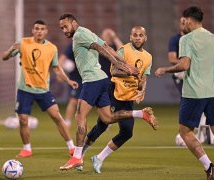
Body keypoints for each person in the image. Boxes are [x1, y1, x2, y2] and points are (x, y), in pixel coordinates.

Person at [59, 13, 158, 170]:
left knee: (80, 115)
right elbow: (106, 46)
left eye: (65, 26)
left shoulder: (79, 35)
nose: (64, 30)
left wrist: (121, 65)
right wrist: (125, 64)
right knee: (107, 118)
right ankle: (141, 114)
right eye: (62, 28)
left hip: (92, 80)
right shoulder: (87, 32)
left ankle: (77, 156)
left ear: (74, 23)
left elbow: (100, 48)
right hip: (102, 79)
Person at [155, 6, 214, 180]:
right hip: (213, 92)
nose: (182, 25)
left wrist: (166, 69)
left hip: (194, 93)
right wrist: (207, 69)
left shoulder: (186, 39)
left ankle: (209, 166)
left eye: (184, 21)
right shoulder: (213, 38)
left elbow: (184, 65)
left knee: (185, 132)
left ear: (190, 21)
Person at [83, 26, 154, 173]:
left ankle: (99, 158)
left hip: (129, 98)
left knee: (127, 132)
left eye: (141, 35)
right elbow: (113, 70)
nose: (138, 38)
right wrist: (130, 72)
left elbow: (144, 76)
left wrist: (142, 89)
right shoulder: (124, 50)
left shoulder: (148, 57)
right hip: (115, 92)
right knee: (102, 125)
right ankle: (80, 154)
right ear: (130, 37)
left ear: (145, 38)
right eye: (135, 35)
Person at [2, 20, 77, 158]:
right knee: (23, 119)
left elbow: (56, 68)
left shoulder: (51, 48)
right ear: (33, 30)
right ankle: (27, 149)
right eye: (36, 28)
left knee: (57, 116)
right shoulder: (23, 43)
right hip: (25, 89)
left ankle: (72, 147)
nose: (39, 31)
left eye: (42, 29)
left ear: (46, 31)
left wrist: (68, 80)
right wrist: (11, 49)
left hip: (43, 90)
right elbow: (4, 57)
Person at [58, 42, 82, 127]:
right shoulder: (72, 46)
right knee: (73, 100)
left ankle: (82, 122)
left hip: (87, 77)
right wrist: (60, 74)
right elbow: (61, 59)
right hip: (75, 79)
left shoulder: (89, 45)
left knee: (85, 102)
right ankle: (67, 122)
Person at [168, 17, 186, 94]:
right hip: (181, 73)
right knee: (186, 99)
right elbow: (172, 59)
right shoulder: (175, 39)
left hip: (196, 73)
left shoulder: (196, 39)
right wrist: (187, 63)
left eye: (186, 23)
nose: (184, 25)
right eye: (182, 23)